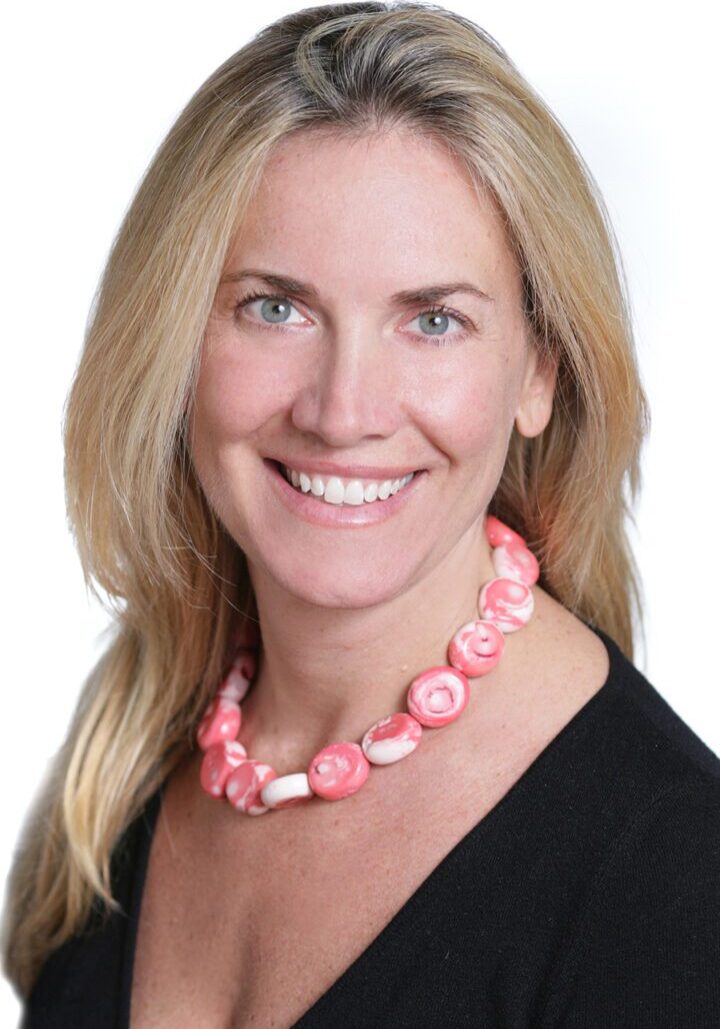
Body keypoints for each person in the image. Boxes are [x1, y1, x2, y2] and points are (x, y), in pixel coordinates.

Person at [4, 2, 719, 1026]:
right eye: (274, 306)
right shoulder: (119, 772)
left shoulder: (675, 886)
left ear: (539, 374)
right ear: (175, 341)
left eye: (433, 320)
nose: (342, 412)